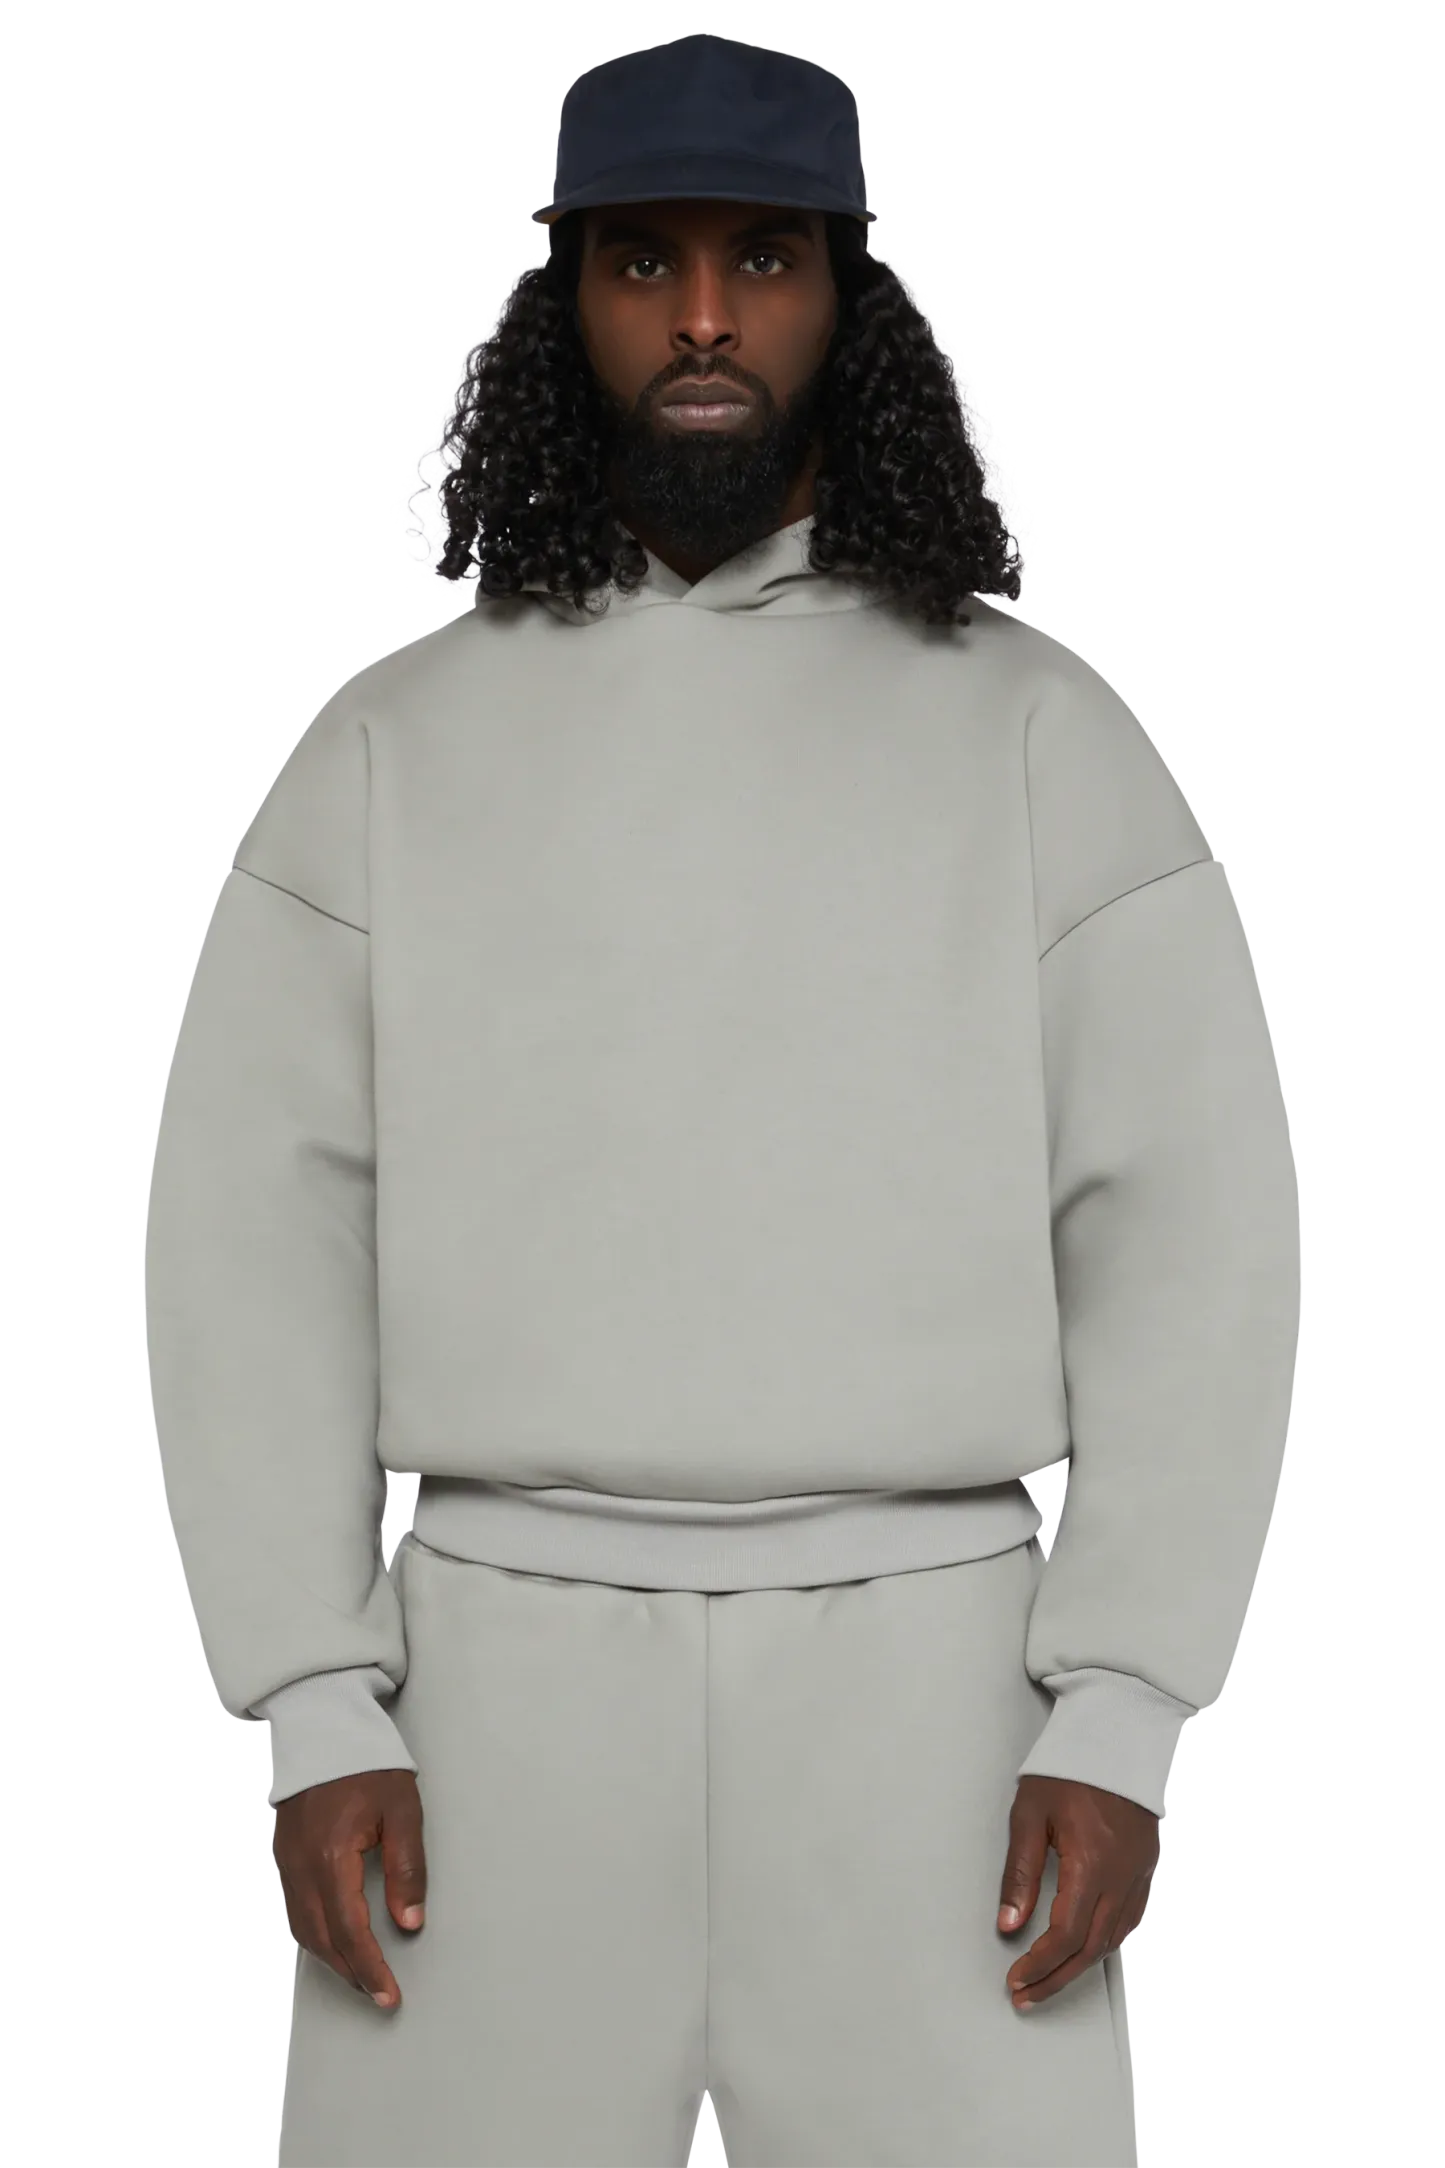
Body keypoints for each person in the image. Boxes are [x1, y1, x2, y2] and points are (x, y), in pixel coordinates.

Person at [142, 32, 1303, 2168]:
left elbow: (1189, 1228)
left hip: (938, 1688)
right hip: (484, 1682)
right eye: (641, 262)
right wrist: (312, 1702)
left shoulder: (1040, 738)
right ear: (563, 304)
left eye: (761, 259)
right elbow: (254, 1236)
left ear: (846, 303)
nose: (700, 318)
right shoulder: (388, 750)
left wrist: (1121, 1710)